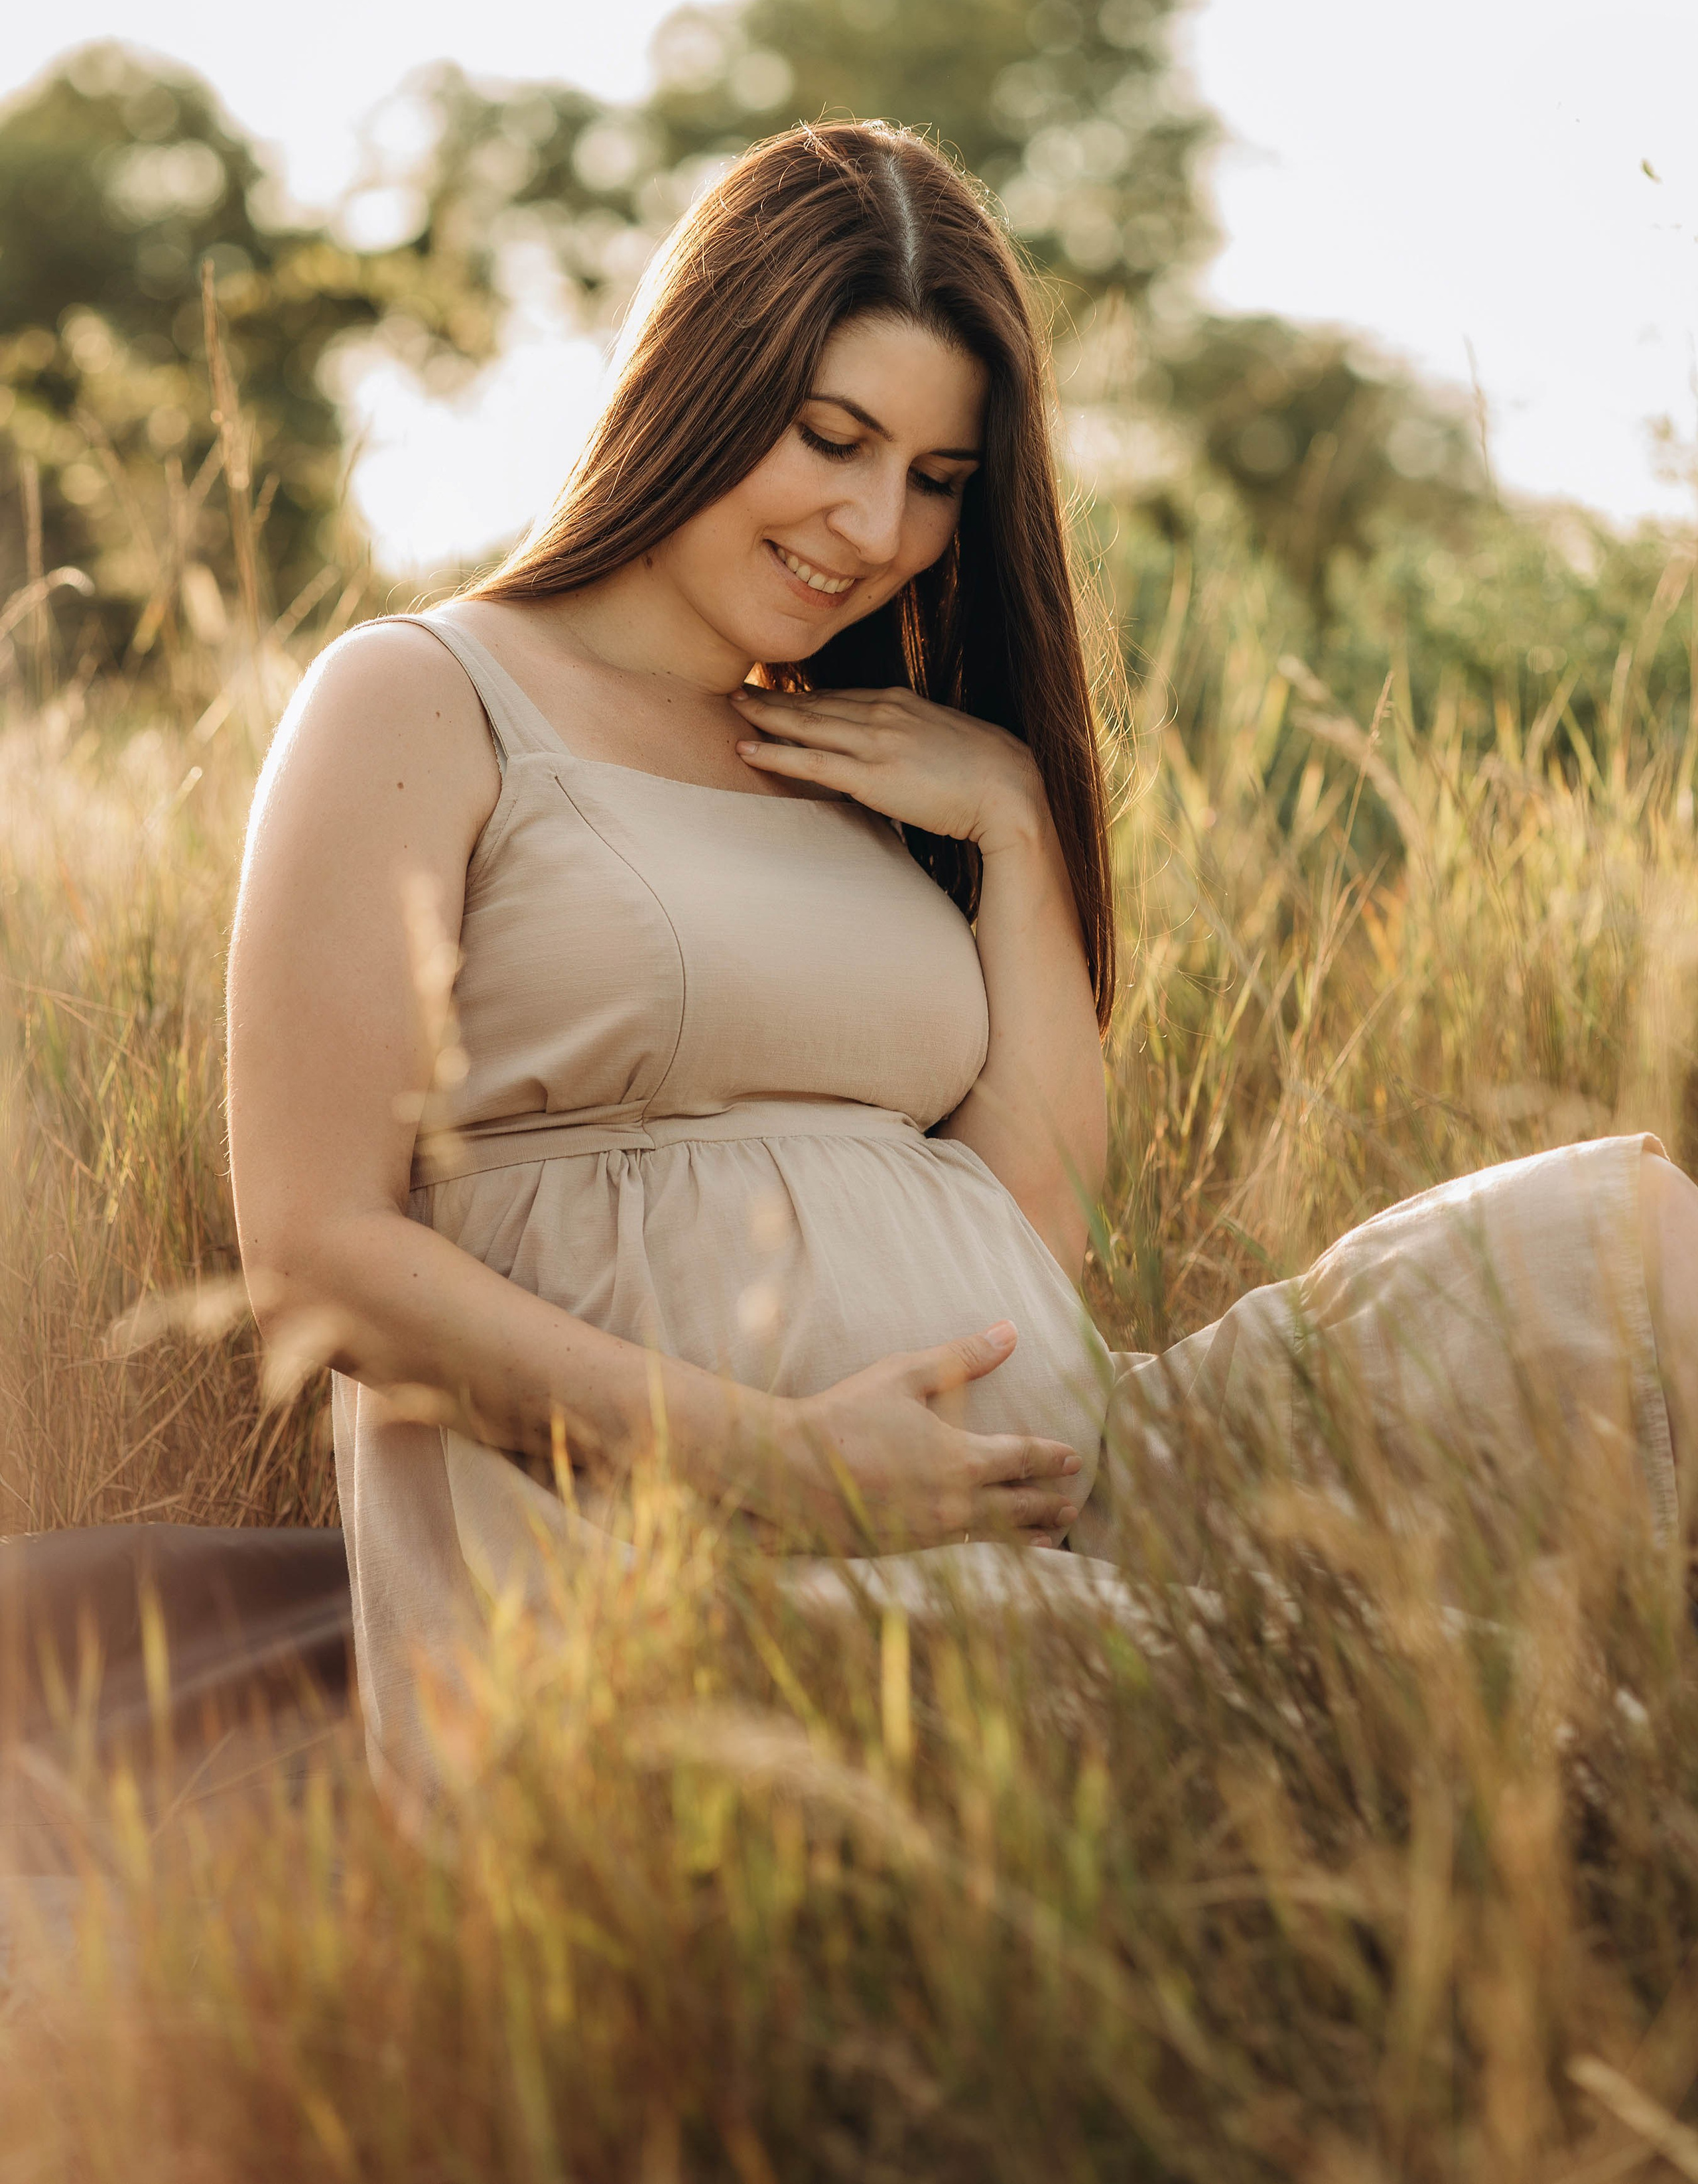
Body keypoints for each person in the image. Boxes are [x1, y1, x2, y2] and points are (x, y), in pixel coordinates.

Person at [226, 121, 1698, 1803]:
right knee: (1444, 1727)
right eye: (831, 439)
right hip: (687, 1557)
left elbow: (1031, 1231)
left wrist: (1008, 823)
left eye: (937, 481)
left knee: (1619, 1248)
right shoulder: (423, 698)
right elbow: (314, 1254)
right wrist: (776, 1460)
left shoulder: (869, 757)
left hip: (1051, 1465)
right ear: (696, 386)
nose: (872, 527)